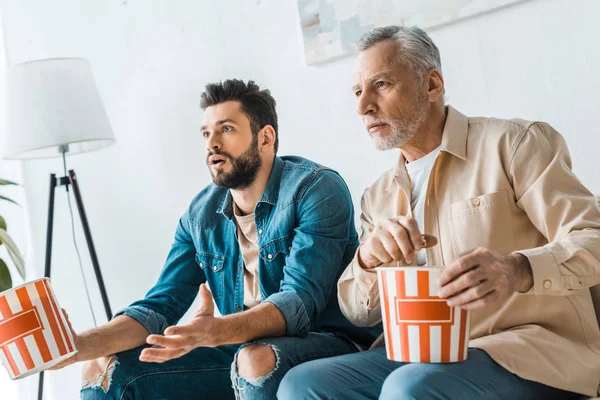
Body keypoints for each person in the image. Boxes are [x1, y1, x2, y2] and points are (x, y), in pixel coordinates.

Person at [278, 25, 600, 399]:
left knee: (410, 386)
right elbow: (358, 312)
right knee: (302, 384)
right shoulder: (377, 196)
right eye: (357, 91)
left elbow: (592, 239)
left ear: (432, 85)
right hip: (424, 353)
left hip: (528, 350)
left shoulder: (515, 144)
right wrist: (368, 260)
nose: (363, 106)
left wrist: (518, 269)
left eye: (380, 85)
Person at [54, 79, 379, 399]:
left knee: (256, 358)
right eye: (206, 133)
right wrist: (76, 345)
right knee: (102, 368)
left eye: (226, 129)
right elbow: (157, 308)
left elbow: (298, 306)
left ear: (265, 138)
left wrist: (216, 331)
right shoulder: (200, 215)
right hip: (239, 349)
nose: (212, 144)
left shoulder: (315, 189)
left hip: (328, 341)